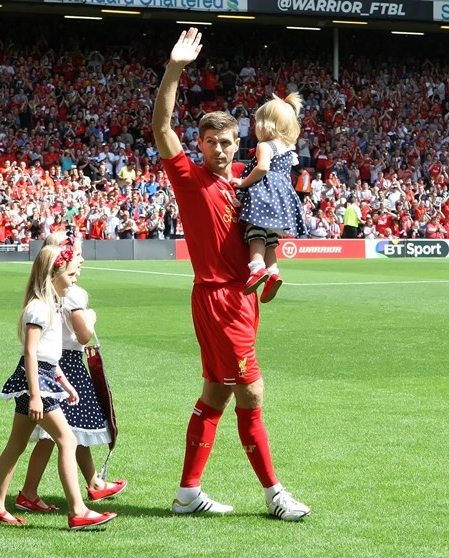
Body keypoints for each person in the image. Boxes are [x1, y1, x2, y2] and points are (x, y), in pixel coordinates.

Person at [152, 27, 310, 522]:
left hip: (236, 298)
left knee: (216, 394)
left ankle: (187, 494)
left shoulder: (245, 183)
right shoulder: (189, 177)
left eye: (227, 142)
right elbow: (160, 127)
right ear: (199, 143)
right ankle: (274, 493)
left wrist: (269, 270)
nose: (220, 149)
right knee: (253, 391)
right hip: (219, 300)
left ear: (237, 141)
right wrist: (175, 68)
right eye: (211, 141)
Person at [0, 244, 117, 530]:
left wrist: (64, 383)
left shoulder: (52, 304)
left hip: (44, 378)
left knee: (16, 445)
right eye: (70, 274)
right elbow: (30, 353)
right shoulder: (39, 308)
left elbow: (47, 355)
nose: (74, 279)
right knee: (66, 440)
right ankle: (78, 510)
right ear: (54, 274)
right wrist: (35, 395)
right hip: (36, 382)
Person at [17, 233, 127, 513]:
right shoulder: (70, 292)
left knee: (67, 430)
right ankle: (35, 493)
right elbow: (83, 333)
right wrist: (91, 317)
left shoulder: (54, 289)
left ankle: (91, 483)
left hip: (56, 363)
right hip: (63, 363)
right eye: (77, 254)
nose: (82, 260)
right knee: (60, 433)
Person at [232, 93, 308, 302]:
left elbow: (263, 168)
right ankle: (273, 272)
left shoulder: (265, 146)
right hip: (282, 198)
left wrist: (242, 183)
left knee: (256, 232)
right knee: (270, 239)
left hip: (265, 194)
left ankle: (257, 269)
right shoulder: (288, 149)